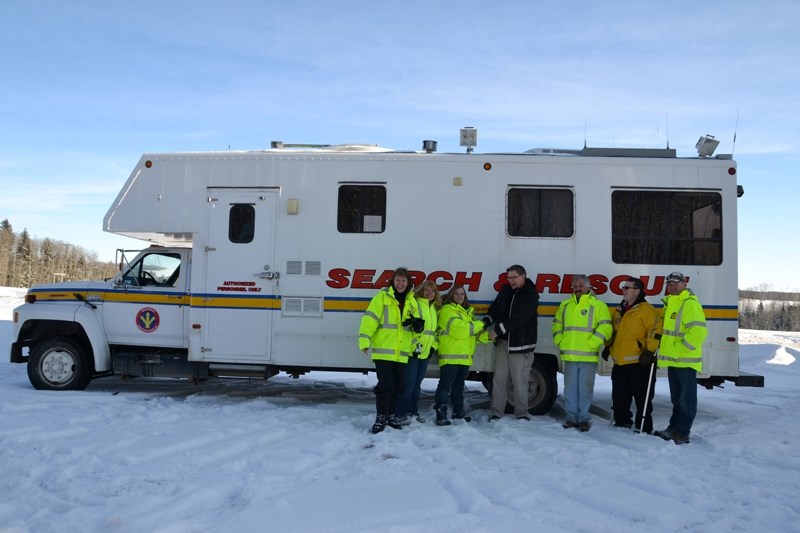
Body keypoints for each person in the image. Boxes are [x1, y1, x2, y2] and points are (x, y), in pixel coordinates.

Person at [358, 267, 423, 434]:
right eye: (397, 280)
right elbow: (370, 319)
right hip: (384, 351)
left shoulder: (412, 301)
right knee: (385, 385)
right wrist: (364, 340)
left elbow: (416, 328)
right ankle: (381, 417)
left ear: (408, 283)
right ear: (393, 282)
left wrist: (417, 326)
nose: (400, 283)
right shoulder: (382, 297)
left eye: (403, 280)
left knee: (399, 386)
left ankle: (391, 416)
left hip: (402, 353)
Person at [552, 274, 613, 432]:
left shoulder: (598, 305)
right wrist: (559, 340)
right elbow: (557, 325)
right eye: (575, 286)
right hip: (570, 357)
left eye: (580, 286)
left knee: (585, 390)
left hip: (588, 356)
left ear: (588, 287)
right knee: (570, 390)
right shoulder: (565, 305)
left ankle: (584, 419)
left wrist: (592, 343)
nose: (577, 289)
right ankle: (571, 418)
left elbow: (606, 327)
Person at [603, 277, 662, 433]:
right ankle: (622, 421)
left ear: (637, 291)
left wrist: (650, 351)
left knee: (642, 397)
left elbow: (656, 330)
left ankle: (644, 426)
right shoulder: (620, 309)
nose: (624, 290)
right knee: (619, 397)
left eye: (627, 287)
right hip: (620, 361)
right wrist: (608, 346)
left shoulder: (646, 310)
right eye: (623, 287)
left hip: (640, 362)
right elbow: (614, 331)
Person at [654, 272, 707, 445]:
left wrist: (679, 349)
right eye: (669, 283)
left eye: (676, 283)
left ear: (684, 284)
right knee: (676, 399)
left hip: (685, 360)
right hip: (673, 360)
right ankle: (673, 429)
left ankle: (682, 432)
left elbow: (698, 332)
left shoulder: (689, 303)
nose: (672, 286)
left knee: (686, 400)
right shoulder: (670, 303)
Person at [485, 264, 540, 421]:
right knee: (499, 379)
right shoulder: (505, 291)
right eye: (509, 278)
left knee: (520, 380)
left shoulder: (531, 295)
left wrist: (497, 331)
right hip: (503, 343)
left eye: (514, 277)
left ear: (523, 276)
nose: (511, 281)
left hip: (521, 345)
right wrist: (486, 321)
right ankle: (496, 412)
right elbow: (494, 309)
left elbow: (518, 319)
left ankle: (521, 413)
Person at [434, 284, 489, 426]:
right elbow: (461, 330)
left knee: (459, 386)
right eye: (456, 294)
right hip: (450, 355)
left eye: (462, 294)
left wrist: (485, 337)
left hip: (464, 357)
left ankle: (458, 413)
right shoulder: (447, 310)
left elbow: (472, 333)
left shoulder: (467, 313)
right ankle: (441, 415)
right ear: (451, 295)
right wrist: (482, 323)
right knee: (445, 386)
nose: (459, 296)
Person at [395, 280, 441, 423]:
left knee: (417, 385)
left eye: (432, 291)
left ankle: (412, 411)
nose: (429, 293)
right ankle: (399, 413)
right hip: (412, 352)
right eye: (427, 290)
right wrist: (413, 324)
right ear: (421, 290)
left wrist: (433, 346)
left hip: (425, 354)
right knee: (408, 384)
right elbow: (405, 324)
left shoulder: (433, 309)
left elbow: (434, 332)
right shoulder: (415, 303)